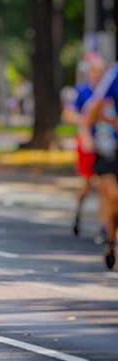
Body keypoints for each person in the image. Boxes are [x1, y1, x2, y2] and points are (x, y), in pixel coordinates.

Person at [61, 53, 105, 237]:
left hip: (106, 143)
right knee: (88, 183)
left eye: (100, 70)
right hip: (87, 142)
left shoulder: (106, 89)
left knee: (106, 184)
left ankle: (106, 226)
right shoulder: (81, 91)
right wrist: (86, 120)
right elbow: (68, 115)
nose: (96, 73)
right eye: (93, 69)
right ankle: (78, 210)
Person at [82, 61, 118, 270]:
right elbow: (92, 108)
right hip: (109, 148)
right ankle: (111, 242)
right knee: (113, 198)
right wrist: (87, 133)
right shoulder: (114, 74)